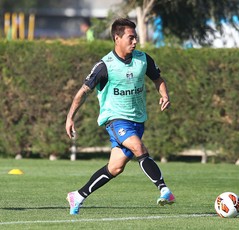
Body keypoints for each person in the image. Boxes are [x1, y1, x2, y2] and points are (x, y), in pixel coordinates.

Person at [65, 18, 175, 215]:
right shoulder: (104, 66)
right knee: (139, 147)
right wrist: (70, 117)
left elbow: (158, 79)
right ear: (117, 38)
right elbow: (83, 92)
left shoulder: (143, 59)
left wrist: (164, 94)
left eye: (136, 38)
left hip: (138, 121)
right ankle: (164, 189)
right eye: (130, 38)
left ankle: (78, 195)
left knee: (115, 168)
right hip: (115, 119)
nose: (135, 41)